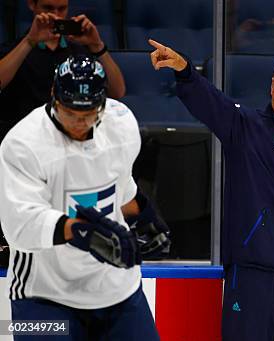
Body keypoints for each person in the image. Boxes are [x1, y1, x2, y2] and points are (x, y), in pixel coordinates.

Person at [148, 40, 274, 340]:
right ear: (270, 85)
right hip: (252, 275)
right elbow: (209, 101)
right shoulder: (243, 125)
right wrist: (185, 70)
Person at [0, 55, 168, 340]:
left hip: (118, 290)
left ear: (103, 103)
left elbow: (120, 184)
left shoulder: (122, 124)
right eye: (70, 113)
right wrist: (84, 234)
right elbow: (19, 228)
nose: (79, 123)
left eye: (89, 114)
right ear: (53, 95)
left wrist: (146, 215)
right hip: (44, 296)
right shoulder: (21, 144)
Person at [0, 0, 126, 139]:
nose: (56, 15)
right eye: (48, 8)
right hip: (26, 135)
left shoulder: (80, 52)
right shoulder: (13, 50)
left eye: (62, 9)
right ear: (32, 4)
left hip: (72, 134)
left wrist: (97, 45)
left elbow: (117, 92)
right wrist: (30, 41)